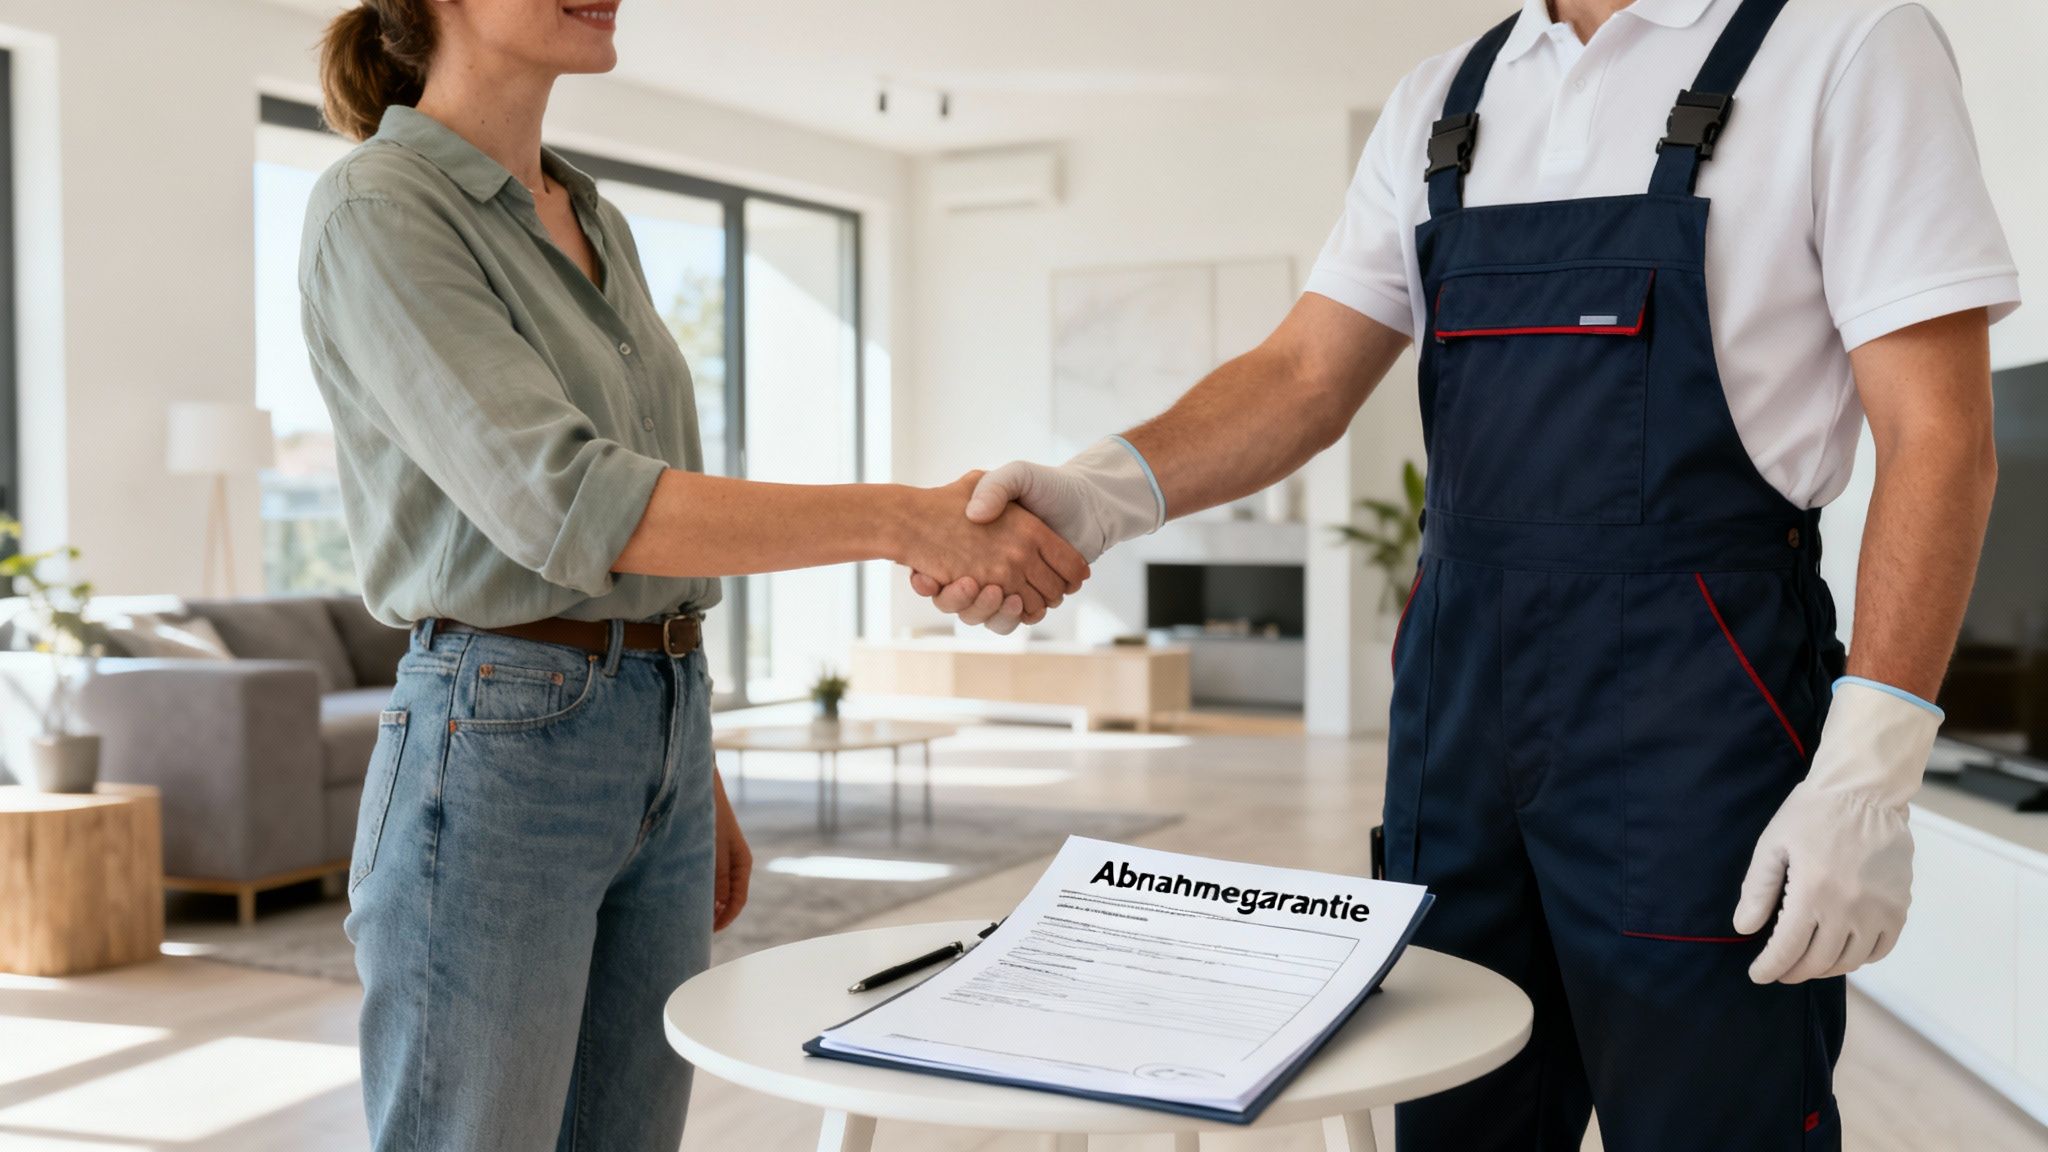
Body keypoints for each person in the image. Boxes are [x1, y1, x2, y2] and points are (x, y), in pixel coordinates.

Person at [915, 0, 2017, 1148]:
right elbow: (1301, 373)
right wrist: (1099, 490)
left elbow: (1940, 440)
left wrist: (1868, 772)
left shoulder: (1846, 47)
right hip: (1456, 722)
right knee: (1456, 1120)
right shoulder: (1444, 97)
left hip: (1700, 717)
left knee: (1714, 1122)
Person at [303, 2, 1087, 1149]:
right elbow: (567, 500)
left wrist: (686, 762)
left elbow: (649, 504)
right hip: (498, 739)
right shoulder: (379, 207)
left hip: (655, 721)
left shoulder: (590, 215)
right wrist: (902, 521)